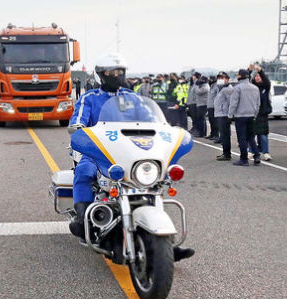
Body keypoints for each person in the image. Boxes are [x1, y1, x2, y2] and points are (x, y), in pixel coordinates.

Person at [68, 52, 194, 262]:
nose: (117, 75)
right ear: (102, 75)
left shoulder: (134, 97)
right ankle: (83, 220)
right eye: (112, 72)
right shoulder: (89, 98)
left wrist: (168, 131)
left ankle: (165, 244)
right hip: (99, 153)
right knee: (84, 171)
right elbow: (77, 122)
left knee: (154, 183)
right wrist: (78, 129)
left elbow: (152, 120)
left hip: (130, 151)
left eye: (121, 72)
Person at [228, 69, 261, 166]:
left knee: (242, 138)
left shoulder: (237, 88)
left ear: (240, 76)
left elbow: (233, 103)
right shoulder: (255, 88)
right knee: (251, 137)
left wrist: (230, 115)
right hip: (251, 116)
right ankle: (257, 155)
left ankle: (244, 159)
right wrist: (255, 114)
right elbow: (258, 104)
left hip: (241, 116)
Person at [251, 68, 273, 161]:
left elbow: (267, 82)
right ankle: (251, 151)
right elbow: (248, 79)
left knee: (263, 134)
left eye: (259, 76)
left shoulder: (265, 87)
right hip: (253, 113)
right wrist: (250, 71)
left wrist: (260, 71)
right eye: (256, 76)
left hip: (263, 113)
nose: (257, 77)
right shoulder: (252, 87)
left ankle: (265, 152)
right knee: (252, 134)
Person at [213, 71, 233, 160]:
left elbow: (231, 102)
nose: (220, 80)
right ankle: (225, 152)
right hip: (220, 114)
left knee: (225, 135)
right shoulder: (220, 88)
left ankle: (227, 154)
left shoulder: (228, 89)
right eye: (219, 78)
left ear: (227, 79)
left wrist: (229, 115)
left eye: (222, 78)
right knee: (223, 135)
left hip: (224, 115)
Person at [206, 75, 220, 141]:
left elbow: (217, 97)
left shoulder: (216, 86)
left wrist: (215, 105)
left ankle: (216, 135)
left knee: (215, 122)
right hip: (210, 106)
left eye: (210, 79)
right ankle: (212, 133)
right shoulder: (211, 87)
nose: (209, 80)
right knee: (211, 121)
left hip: (214, 107)